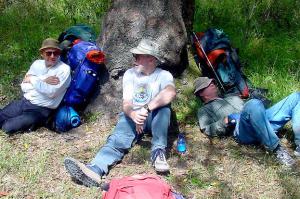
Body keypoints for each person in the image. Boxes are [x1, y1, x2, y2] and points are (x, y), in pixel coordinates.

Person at [64, 39, 176, 187]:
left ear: (151, 58)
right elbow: (127, 104)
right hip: (133, 116)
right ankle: (95, 169)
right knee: (117, 139)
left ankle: (158, 152)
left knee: (164, 109)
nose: (134, 59)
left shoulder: (163, 75)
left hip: (154, 116)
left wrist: (146, 109)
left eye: (138, 56)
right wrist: (133, 115)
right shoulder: (130, 74)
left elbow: (170, 92)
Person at [195, 76, 300, 167]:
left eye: (213, 82)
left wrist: (261, 102)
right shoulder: (204, 110)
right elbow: (206, 129)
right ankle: (276, 149)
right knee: (253, 104)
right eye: (209, 84)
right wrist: (225, 121)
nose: (213, 84)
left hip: (261, 122)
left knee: (296, 97)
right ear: (202, 92)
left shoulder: (230, 97)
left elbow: (253, 108)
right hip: (242, 130)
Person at [0, 38, 71, 134]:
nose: (53, 56)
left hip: (40, 109)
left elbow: (51, 93)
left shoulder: (64, 69)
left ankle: (37, 123)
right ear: (42, 53)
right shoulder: (37, 64)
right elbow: (24, 86)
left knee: (7, 128)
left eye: (56, 53)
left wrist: (32, 79)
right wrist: (43, 80)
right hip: (25, 101)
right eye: (49, 53)